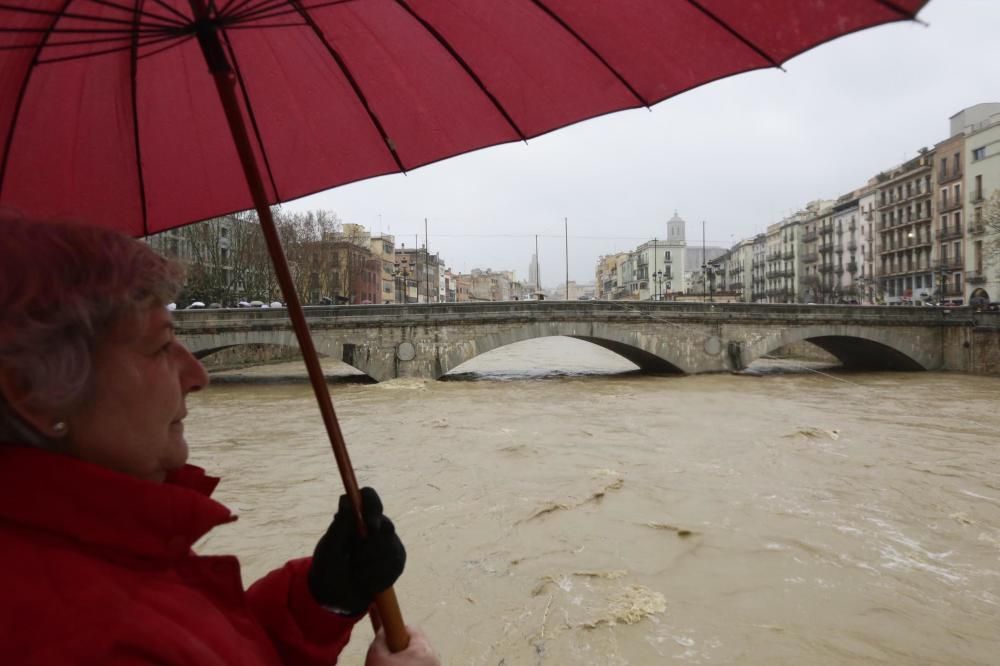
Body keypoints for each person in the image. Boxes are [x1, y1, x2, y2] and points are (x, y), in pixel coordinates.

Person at [0, 211, 440, 666]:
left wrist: (323, 597)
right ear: (34, 391)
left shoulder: (106, 554)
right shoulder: (77, 634)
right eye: (159, 348)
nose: (198, 374)